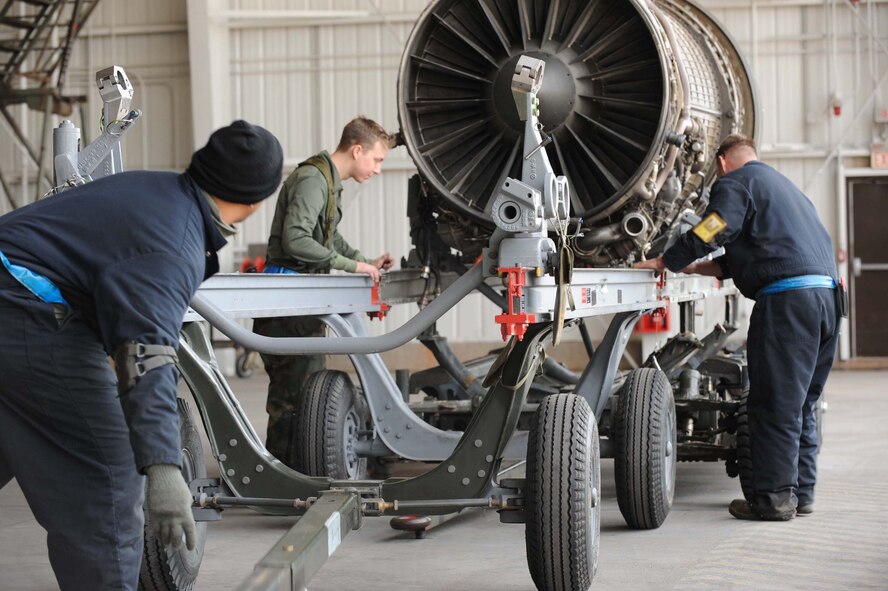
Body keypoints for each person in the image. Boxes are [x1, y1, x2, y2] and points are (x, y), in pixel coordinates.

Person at [0, 120, 283, 589]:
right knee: (107, 478)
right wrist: (164, 468)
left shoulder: (154, 190)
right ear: (256, 201)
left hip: (14, 297)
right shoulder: (174, 243)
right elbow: (146, 355)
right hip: (22, 308)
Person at [634, 134, 842, 521]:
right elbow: (764, 249)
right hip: (828, 300)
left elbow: (717, 225)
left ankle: (774, 501)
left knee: (774, 404)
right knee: (803, 402)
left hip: (789, 304)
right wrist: (703, 266)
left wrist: (671, 261)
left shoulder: (735, 181)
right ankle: (803, 493)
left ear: (722, 161)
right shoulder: (786, 190)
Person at [254, 116, 395, 464]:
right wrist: (352, 267)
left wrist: (366, 262)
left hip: (300, 302)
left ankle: (294, 474)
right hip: (286, 304)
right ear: (357, 149)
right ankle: (282, 480)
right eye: (376, 160)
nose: (377, 170)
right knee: (292, 397)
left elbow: (328, 238)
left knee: (303, 393)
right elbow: (297, 239)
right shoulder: (312, 179)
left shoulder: (328, 182)